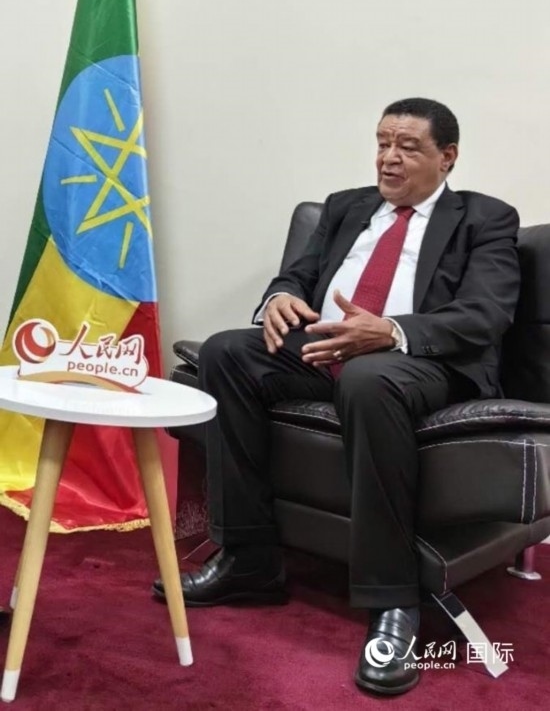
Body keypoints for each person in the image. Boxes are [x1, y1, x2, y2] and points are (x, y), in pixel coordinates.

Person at [153, 97, 521, 696]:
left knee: (367, 378)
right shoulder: (347, 206)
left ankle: (393, 600)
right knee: (225, 351)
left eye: (408, 147)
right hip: (325, 348)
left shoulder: (485, 218)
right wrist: (279, 298)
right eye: (383, 143)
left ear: (447, 157)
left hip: (418, 363)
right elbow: (297, 275)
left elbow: (486, 313)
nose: (389, 158)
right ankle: (247, 558)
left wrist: (392, 331)